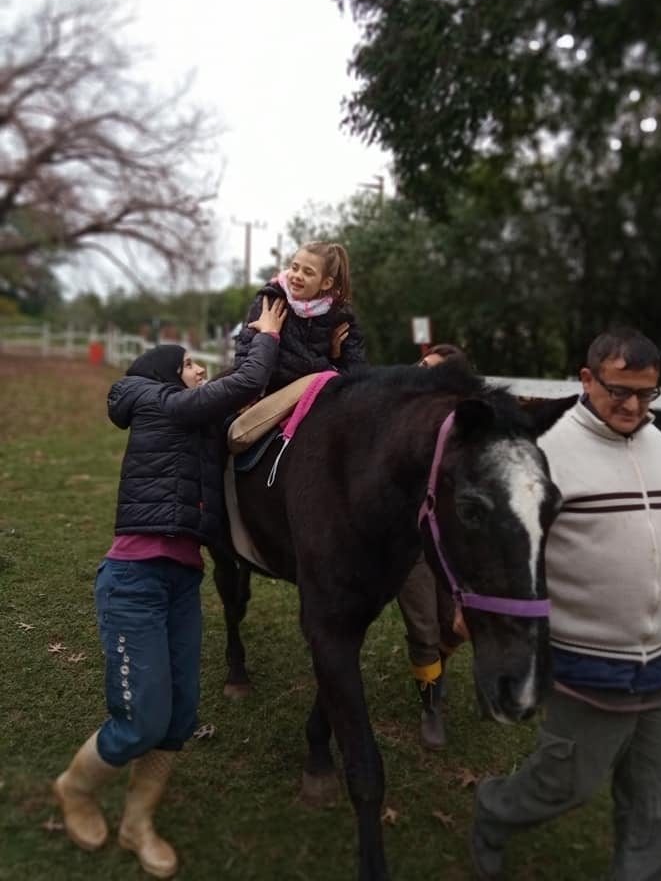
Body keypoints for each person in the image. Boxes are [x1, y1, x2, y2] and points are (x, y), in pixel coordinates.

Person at [471, 327, 661, 881]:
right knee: (564, 783)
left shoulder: (657, 444)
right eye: (619, 392)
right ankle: (494, 812)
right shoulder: (547, 453)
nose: (635, 407)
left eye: (647, 394)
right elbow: (506, 555)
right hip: (585, 666)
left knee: (657, 797)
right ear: (586, 379)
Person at [53, 297, 286, 879]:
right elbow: (247, 379)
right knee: (141, 721)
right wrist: (265, 333)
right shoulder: (161, 406)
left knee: (178, 719)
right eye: (188, 364)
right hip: (134, 581)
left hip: (182, 581)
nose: (198, 370)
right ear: (165, 377)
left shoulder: (194, 421)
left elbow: (246, 396)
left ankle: (137, 825)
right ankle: (75, 789)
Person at [398, 343, 469, 749]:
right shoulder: (398, 416)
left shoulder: (465, 427)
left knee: (457, 624)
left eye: (431, 369)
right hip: (409, 540)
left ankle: (433, 669)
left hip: (452, 540)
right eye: (420, 365)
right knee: (424, 626)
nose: (419, 372)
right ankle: (431, 709)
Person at [233, 241, 367, 393]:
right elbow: (245, 347)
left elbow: (357, 374)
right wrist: (244, 393)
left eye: (308, 272)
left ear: (326, 283)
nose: (297, 276)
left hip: (318, 393)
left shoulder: (340, 315)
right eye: (294, 268)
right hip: (269, 391)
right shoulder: (271, 299)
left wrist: (335, 357)